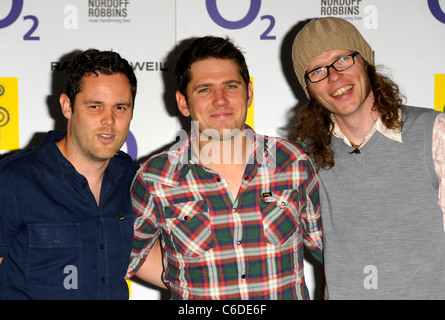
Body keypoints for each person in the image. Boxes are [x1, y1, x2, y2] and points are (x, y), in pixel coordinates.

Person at [126, 36, 323, 299]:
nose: (220, 100)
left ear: (249, 93)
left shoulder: (292, 161)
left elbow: (330, 248)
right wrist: (180, 278)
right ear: (184, 103)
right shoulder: (156, 177)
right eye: (204, 89)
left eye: (231, 86)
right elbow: (129, 255)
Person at [290, 17, 445, 299]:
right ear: (309, 88)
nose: (334, 76)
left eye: (343, 59)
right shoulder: (305, 158)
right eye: (317, 71)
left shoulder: (433, 132)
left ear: (365, 61)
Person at [0, 49, 142, 299]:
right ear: (67, 106)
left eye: (120, 107)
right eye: (95, 106)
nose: (108, 120)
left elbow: (155, 262)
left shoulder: (134, 179)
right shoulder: (13, 179)